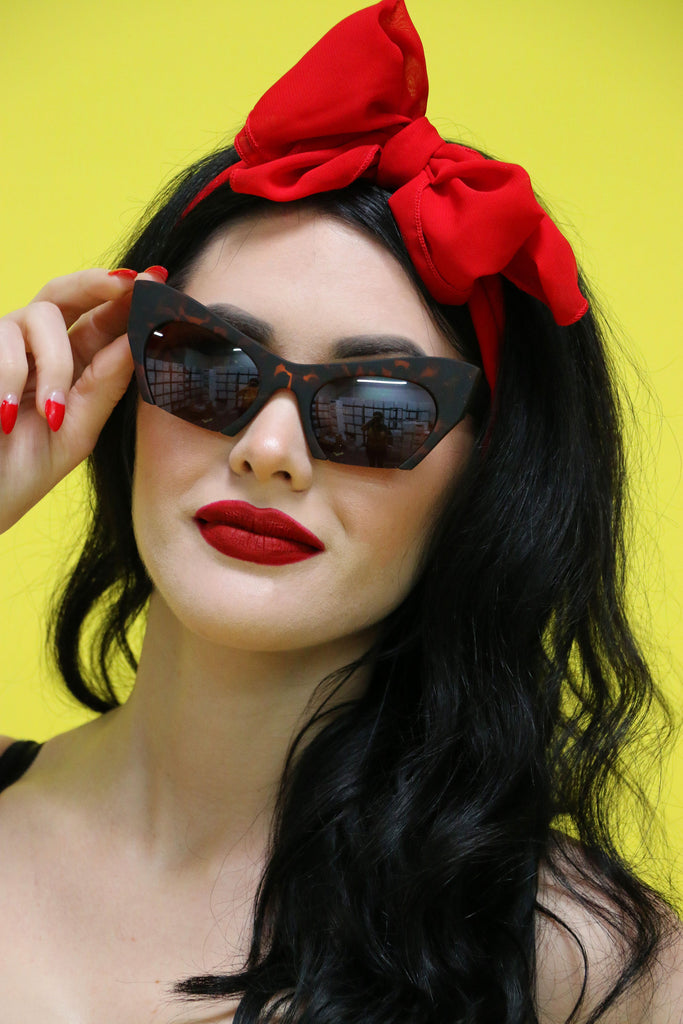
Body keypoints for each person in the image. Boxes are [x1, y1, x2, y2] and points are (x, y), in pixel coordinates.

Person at [0, 1, 680, 1021]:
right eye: (208, 362)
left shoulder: (593, 971)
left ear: (488, 479)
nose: (268, 449)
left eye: (377, 408)